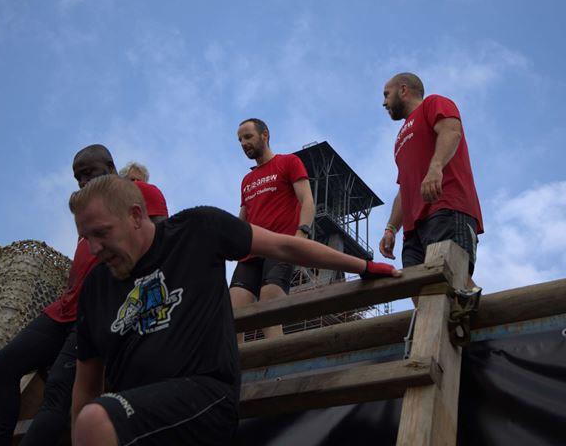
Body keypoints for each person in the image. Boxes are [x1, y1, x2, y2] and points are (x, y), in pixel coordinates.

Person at [69, 175, 398, 446]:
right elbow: (85, 387)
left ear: (135, 215)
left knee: (96, 419)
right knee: (94, 418)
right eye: (86, 238)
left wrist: (363, 266)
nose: (94, 248)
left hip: (205, 399)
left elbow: (283, 245)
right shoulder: (96, 287)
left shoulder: (196, 230)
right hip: (134, 418)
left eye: (102, 233)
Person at [0, 145, 168, 445]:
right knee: (2, 365)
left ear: (110, 167)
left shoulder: (140, 192)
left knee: (58, 390)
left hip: (98, 307)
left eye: (88, 173)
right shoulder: (86, 207)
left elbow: (161, 242)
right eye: (77, 177)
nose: (82, 182)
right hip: (64, 308)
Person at [378, 72, 483, 279]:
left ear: (403, 90)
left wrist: (436, 167)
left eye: (386, 94)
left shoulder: (433, 103)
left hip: (445, 208)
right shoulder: (398, 140)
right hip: (413, 230)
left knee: (450, 280)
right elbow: (404, 188)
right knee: (416, 288)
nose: (384, 102)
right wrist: (391, 228)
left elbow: (451, 131)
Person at [229, 118, 316, 343]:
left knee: (269, 299)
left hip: (279, 245)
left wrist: (302, 234)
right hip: (250, 251)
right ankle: (237, 363)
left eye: (248, 137)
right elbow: (243, 217)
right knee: (234, 309)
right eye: (240, 140)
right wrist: (230, 243)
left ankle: (277, 357)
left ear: (265, 135)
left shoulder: (288, 162)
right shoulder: (247, 179)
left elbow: (307, 200)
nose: (243, 143)